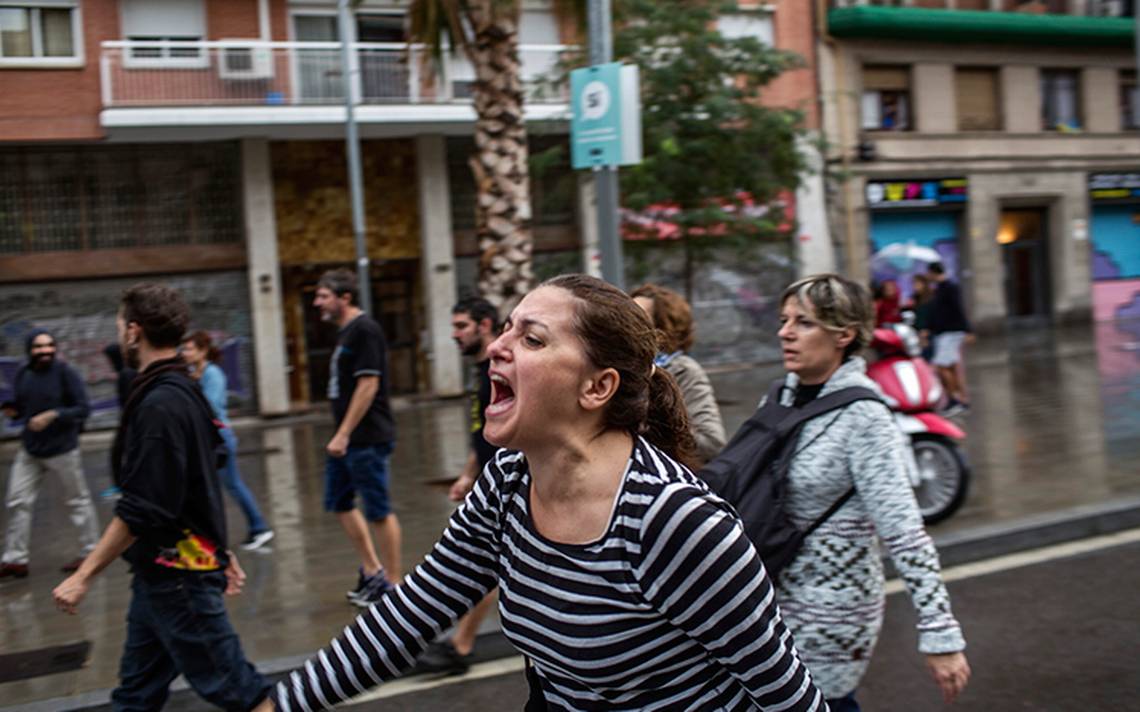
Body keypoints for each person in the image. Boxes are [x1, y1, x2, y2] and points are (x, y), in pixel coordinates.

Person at [255, 274, 828, 712]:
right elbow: (410, 614)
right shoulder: (508, 481)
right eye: (506, 328)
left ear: (597, 387)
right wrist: (281, 704)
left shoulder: (674, 522)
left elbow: (785, 694)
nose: (498, 347)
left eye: (530, 338)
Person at [52, 283, 270, 710]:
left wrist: (83, 576)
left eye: (119, 326)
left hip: (179, 579)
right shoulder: (183, 390)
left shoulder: (162, 403)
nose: (118, 335)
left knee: (243, 694)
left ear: (134, 332)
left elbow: (143, 508)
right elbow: (197, 480)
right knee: (136, 696)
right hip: (161, 576)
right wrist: (220, 549)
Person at [771, 273, 970, 710]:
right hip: (772, 601)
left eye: (803, 322)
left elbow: (905, 531)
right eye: (785, 320)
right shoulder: (784, 397)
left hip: (829, 613)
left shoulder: (864, 418)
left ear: (844, 334)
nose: (785, 332)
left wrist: (940, 634)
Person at [417, 296, 500, 676]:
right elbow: (482, 429)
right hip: (487, 480)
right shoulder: (481, 368)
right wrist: (468, 474)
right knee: (487, 566)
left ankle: (461, 644)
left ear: (484, 325)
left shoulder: (500, 366)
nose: (454, 335)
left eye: (461, 326)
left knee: (486, 566)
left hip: (505, 484)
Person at [313, 269, 402, 608]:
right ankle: (372, 570)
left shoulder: (365, 330)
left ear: (344, 298)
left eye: (323, 296)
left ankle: (393, 586)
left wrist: (344, 433)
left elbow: (369, 385)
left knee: (378, 510)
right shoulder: (346, 333)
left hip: (366, 438)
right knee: (339, 502)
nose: (317, 302)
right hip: (347, 441)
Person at [0, 328, 98, 579]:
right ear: (30, 350)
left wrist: (53, 415)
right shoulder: (24, 373)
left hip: (63, 448)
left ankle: (90, 553)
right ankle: (15, 560)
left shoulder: (66, 373)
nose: (45, 351)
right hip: (31, 449)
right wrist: (13, 411)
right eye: (39, 347)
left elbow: (83, 409)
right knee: (17, 500)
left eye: (49, 346)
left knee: (77, 501)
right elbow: (22, 407)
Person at [182, 330, 274, 551]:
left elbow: (210, 407)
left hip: (219, 439)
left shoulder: (213, 374)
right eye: (183, 349)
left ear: (202, 351)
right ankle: (256, 527)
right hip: (210, 439)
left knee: (227, 485)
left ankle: (257, 527)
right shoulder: (198, 373)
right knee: (225, 485)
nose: (184, 353)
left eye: (188, 348)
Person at [630, 283, 726, 464]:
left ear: (664, 328)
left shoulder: (684, 371)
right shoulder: (625, 369)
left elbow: (712, 444)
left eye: (638, 319)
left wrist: (652, 428)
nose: (628, 326)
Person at [925, 262, 973, 415]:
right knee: (950, 367)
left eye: (929, 273)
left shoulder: (949, 288)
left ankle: (954, 400)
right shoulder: (939, 289)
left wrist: (967, 330)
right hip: (943, 333)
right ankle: (961, 400)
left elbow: (958, 308)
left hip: (950, 333)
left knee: (942, 366)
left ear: (933, 273)